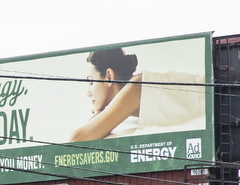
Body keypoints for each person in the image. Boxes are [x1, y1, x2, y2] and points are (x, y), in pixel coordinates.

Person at [67, 47, 206, 142]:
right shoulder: (134, 89)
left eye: (91, 82)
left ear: (109, 76)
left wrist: (99, 113)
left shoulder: (135, 87)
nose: (88, 93)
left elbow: (75, 139)